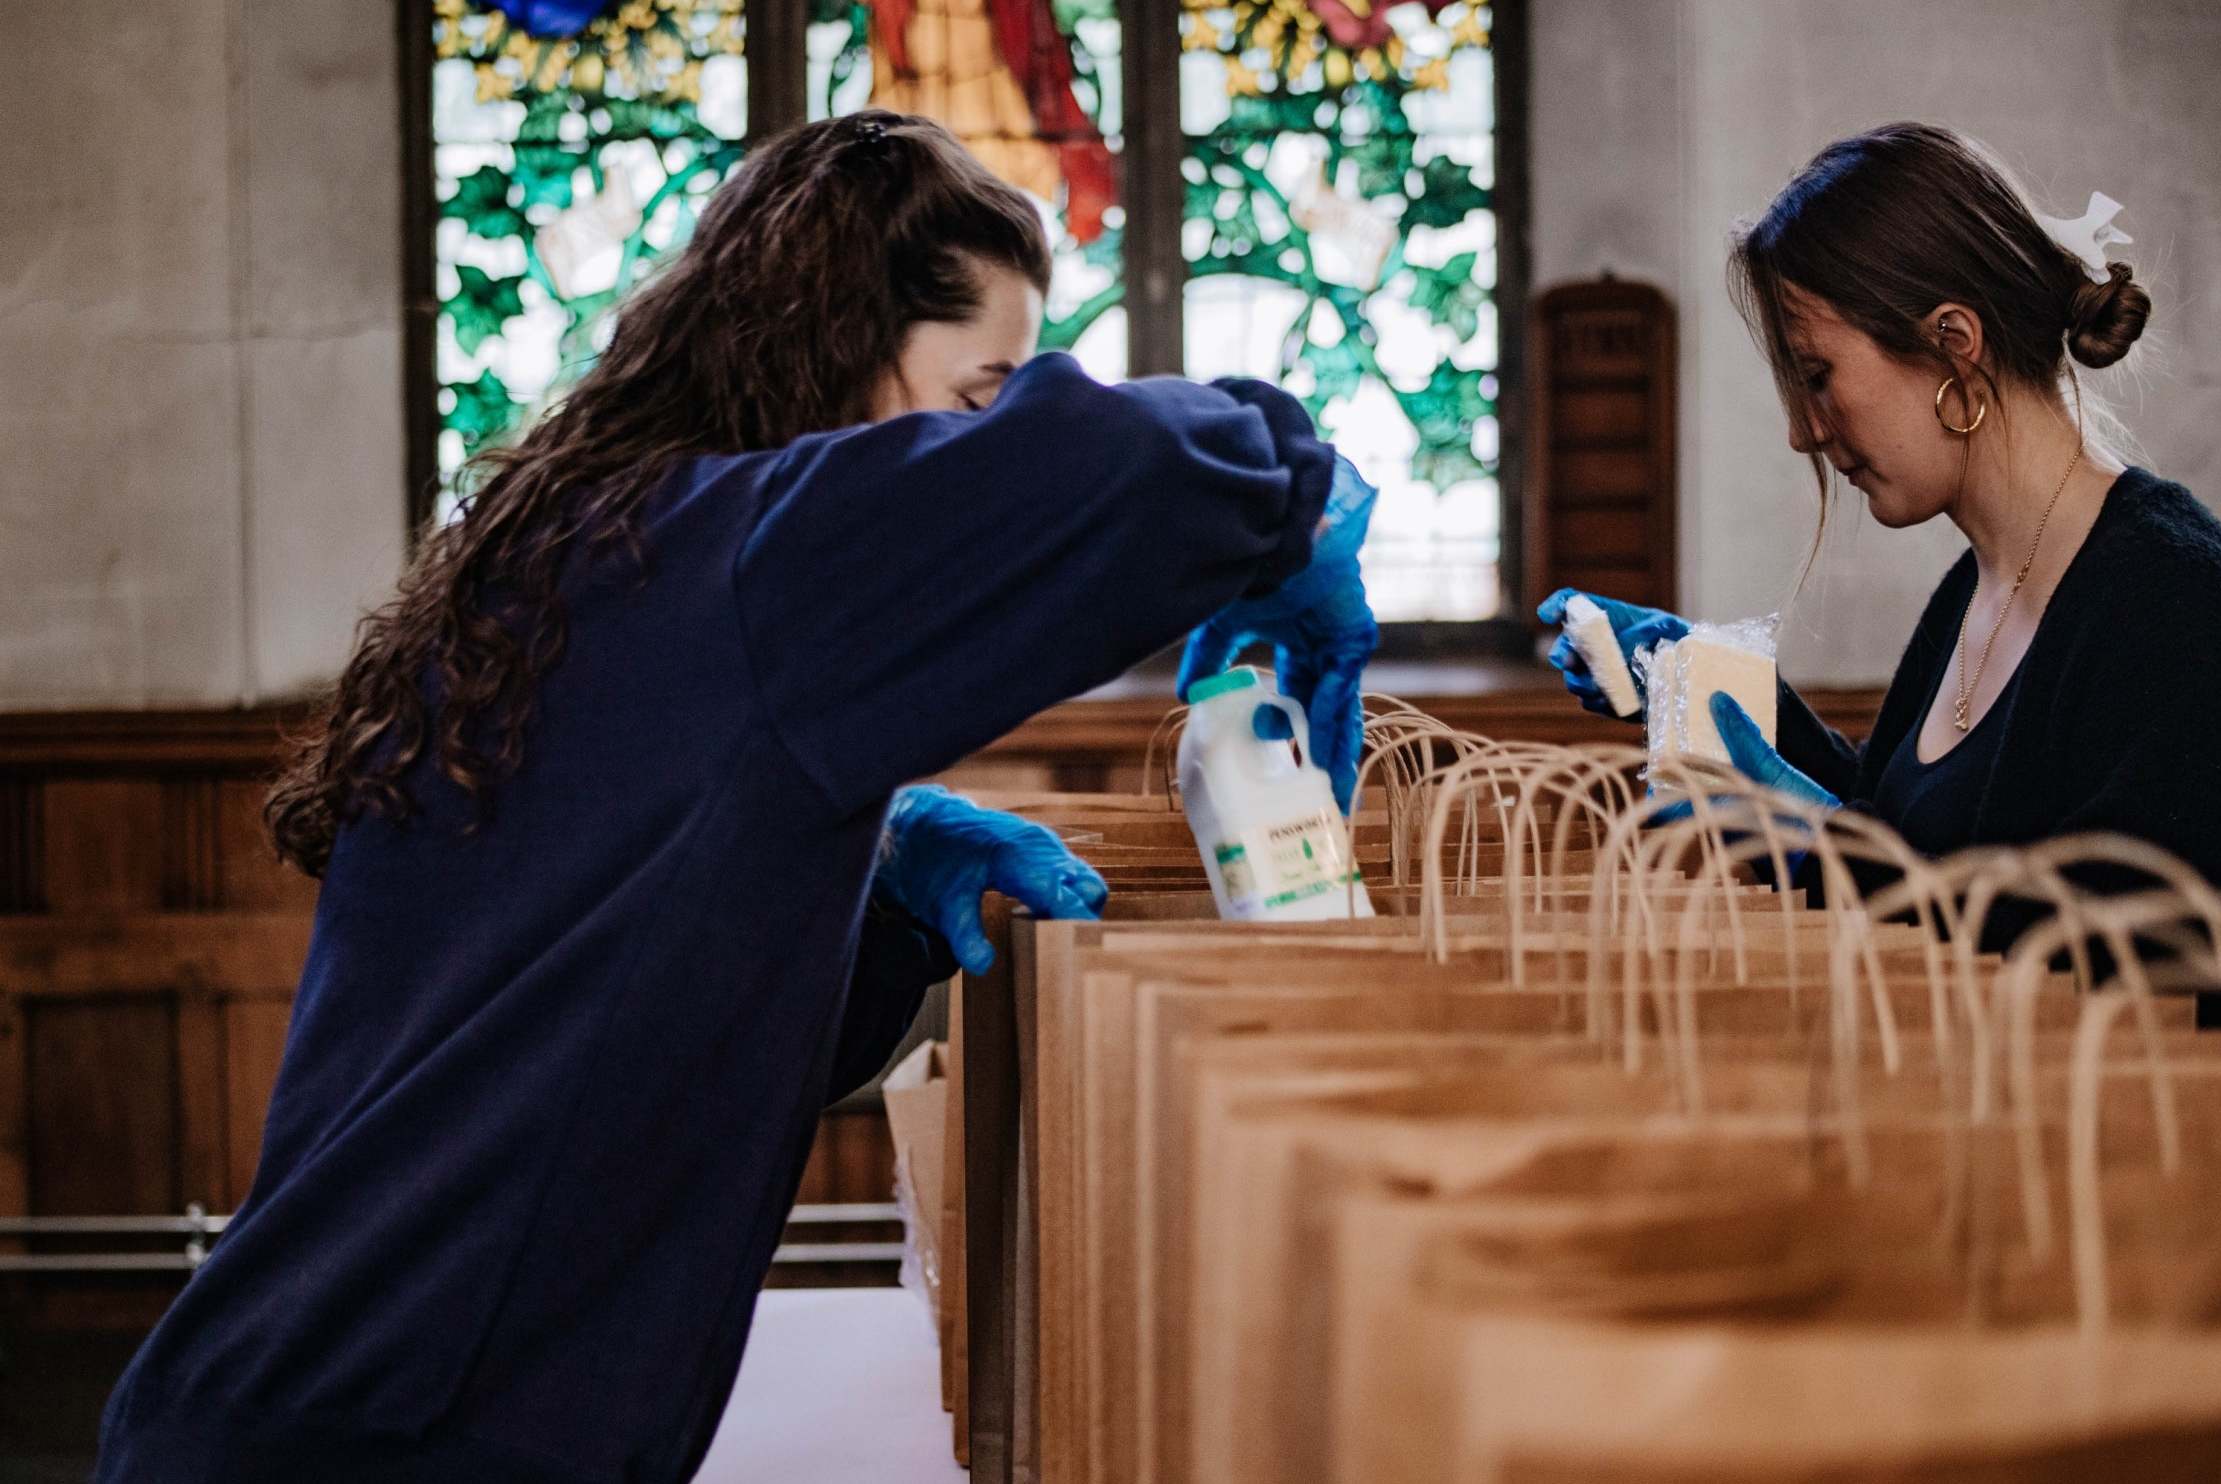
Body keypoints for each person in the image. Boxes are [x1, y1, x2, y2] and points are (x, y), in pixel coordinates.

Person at [95, 111, 1375, 1483]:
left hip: (314, 1393)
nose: (985, 449)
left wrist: (873, 900)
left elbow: (640, 1030)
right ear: (840, 351)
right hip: (400, 1429)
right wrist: (1293, 495)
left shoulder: (595, 553)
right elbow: (1132, 469)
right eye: (976, 398)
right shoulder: (755, 553)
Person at [1542, 122, 2221, 945]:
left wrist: (1817, 845)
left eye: (1818, 376)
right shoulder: (1975, 587)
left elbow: (2117, 957)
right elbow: (1904, 822)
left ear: (1952, 345)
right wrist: (1717, 693)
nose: (1804, 432)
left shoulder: (2177, 601)